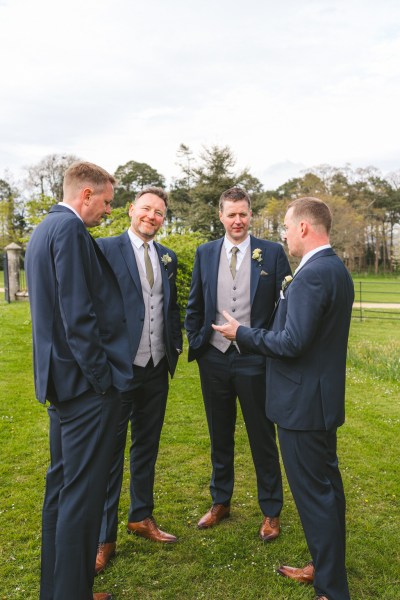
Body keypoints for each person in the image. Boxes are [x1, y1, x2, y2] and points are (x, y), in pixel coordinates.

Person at [213, 197, 354, 600]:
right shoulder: (334, 269)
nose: (286, 235)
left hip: (303, 407)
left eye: (288, 228)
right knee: (326, 490)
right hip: (318, 402)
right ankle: (324, 567)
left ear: (305, 228)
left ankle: (330, 588)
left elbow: (293, 342)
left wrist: (241, 334)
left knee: (316, 497)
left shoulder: (313, 275)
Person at [25, 161, 134, 600]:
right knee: (81, 497)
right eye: (106, 201)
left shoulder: (44, 229)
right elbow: (78, 316)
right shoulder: (68, 231)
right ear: (85, 195)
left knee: (62, 487)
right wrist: (102, 380)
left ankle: (59, 590)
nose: (108, 211)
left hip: (59, 382)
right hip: (83, 387)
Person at [185, 187, 291, 538]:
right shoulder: (205, 252)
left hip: (254, 359)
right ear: (221, 216)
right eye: (231, 214)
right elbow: (195, 305)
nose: (238, 221)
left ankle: (271, 510)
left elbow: (286, 308)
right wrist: (197, 341)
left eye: (243, 214)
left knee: (262, 435)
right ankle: (220, 501)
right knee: (219, 434)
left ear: (250, 214)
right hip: (214, 359)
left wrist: (268, 345)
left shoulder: (272, 254)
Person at [94, 186, 182, 574]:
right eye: (146, 209)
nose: (152, 217)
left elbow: (169, 306)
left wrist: (173, 347)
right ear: (131, 210)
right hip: (119, 370)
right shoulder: (105, 249)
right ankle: (103, 537)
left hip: (156, 368)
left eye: (159, 213)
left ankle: (141, 516)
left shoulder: (168, 256)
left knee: (146, 446)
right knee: (110, 455)